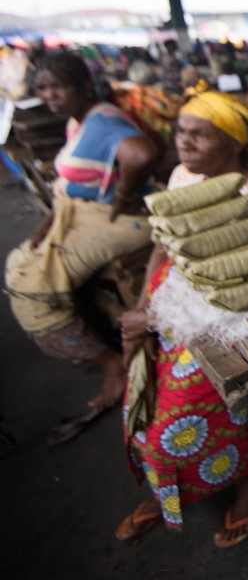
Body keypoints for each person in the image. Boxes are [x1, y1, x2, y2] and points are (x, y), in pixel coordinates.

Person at [114, 83, 248, 546]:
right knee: (138, 398)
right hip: (169, 301)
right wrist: (144, 305)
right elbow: (161, 243)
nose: (184, 143)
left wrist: (157, 320)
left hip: (218, 317)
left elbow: (245, 288)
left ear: (234, 141)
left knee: (173, 423)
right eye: (180, 132)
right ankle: (164, 485)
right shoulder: (180, 177)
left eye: (199, 135)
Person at [4, 53, 157, 442]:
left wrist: (122, 197)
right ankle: (102, 348)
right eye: (43, 89)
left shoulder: (104, 119)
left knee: (30, 286)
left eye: (59, 86)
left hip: (119, 219)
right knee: (20, 261)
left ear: (84, 87)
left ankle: (112, 365)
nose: (51, 95)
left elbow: (140, 154)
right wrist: (50, 222)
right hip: (84, 214)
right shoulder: (80, 121)